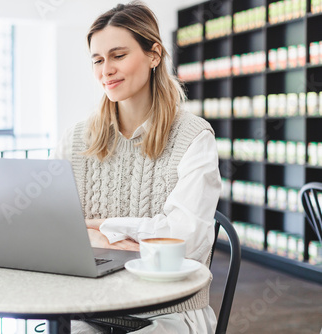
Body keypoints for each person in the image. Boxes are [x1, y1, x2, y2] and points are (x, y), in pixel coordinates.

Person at [53, 1, 221, 333]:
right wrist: (141, 241)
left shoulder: (194, 136)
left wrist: (102, 228)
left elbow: (185, 241)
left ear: (154, 54)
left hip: (166, 310)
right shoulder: (75, 139)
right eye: (98, 60)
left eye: (118, 56)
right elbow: (54, 231)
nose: (106, 70)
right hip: (89, 304)